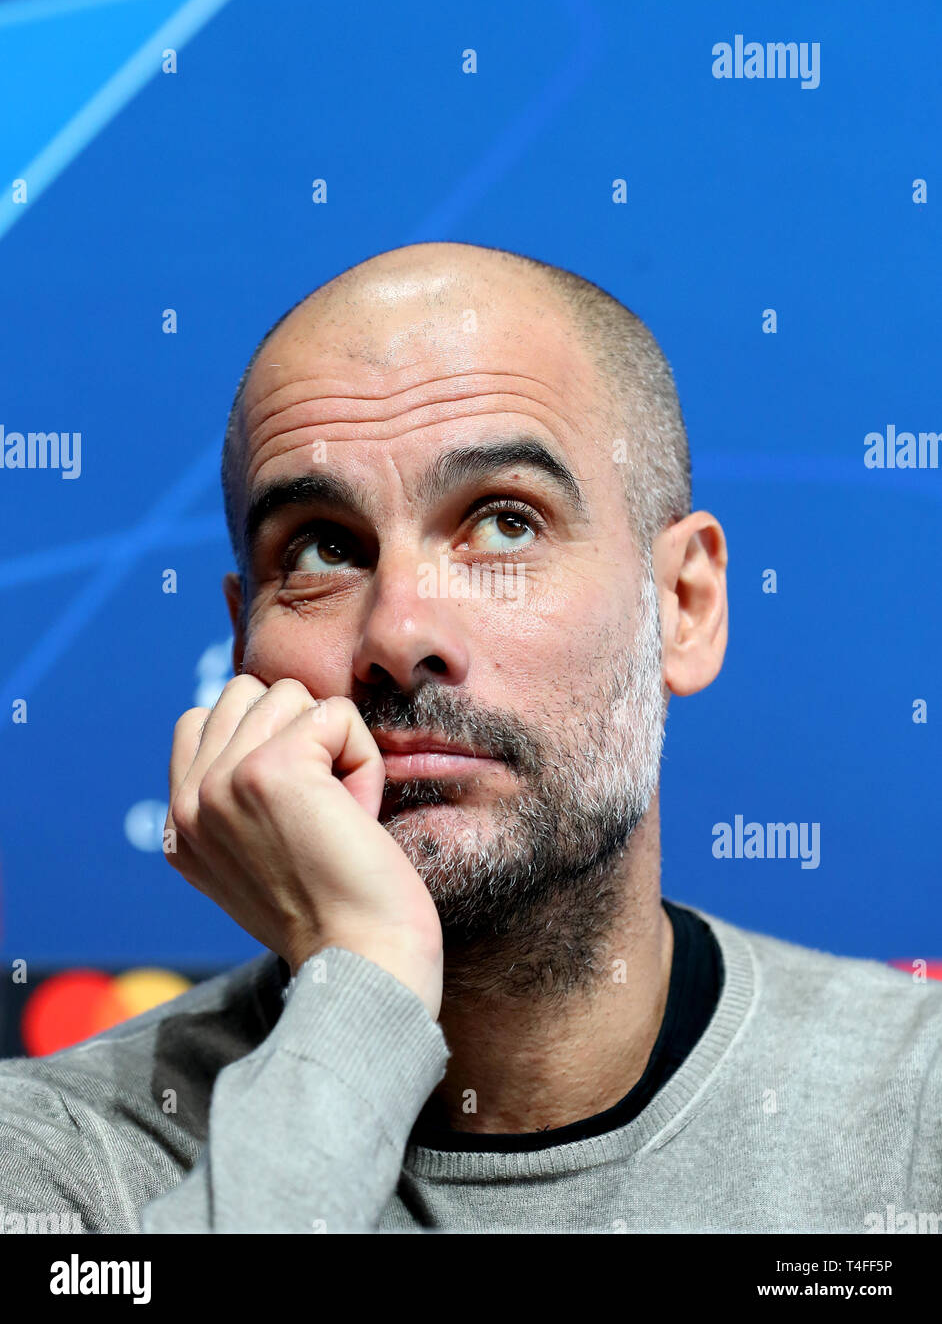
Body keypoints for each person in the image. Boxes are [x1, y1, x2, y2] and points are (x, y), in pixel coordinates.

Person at [1, 242, 939, 1235]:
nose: (399, 633)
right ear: (242, 645)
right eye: (321, 547)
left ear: (684, 604)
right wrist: (366, 974)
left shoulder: (918, 1108)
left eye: (502, 524)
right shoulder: (61, 1158)